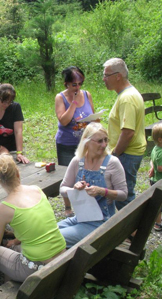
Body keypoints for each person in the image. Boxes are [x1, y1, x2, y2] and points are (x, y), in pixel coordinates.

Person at [0, 154, 66, 299]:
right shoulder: (36, 190)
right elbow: (35, 228)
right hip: (60, 258)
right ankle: (7, 288)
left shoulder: (3, 209)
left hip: (37, 269)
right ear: (17, 172)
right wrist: (14, 239)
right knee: (9, 245)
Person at [57, 123, 127, 249]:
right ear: (87, 142)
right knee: (47, 234)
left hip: (102, 223)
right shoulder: (78, 161)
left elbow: (123, 194)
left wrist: (102, 191)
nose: (104, 145)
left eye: (106, 140)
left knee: (54, 239)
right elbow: (62, 189)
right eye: (100, 141)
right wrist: (74, 190)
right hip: (81, 217)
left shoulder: (112, 163)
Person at [103, 58, 146, 210]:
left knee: (123, 198)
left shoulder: (127, 98)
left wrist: (115, 154)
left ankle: (132, 232)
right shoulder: (127, 94)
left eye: (106, 75)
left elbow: (127, 132)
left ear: (118, 76)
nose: (104, 79)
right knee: (124, 195)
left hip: (126, 154)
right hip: (129, 153)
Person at [55, 66, 97, 217]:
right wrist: (73, 103)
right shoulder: (60, 97)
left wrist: (95, 119)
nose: (78, 87)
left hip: (85, 143)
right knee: (68, 175)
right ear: (66, 83)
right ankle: (67, 207)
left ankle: (84, 203)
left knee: (85, 173)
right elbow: (64, 121)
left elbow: (92, 114)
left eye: (80, 83)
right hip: (66, 143)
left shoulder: (87, 94)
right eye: (74, 84)